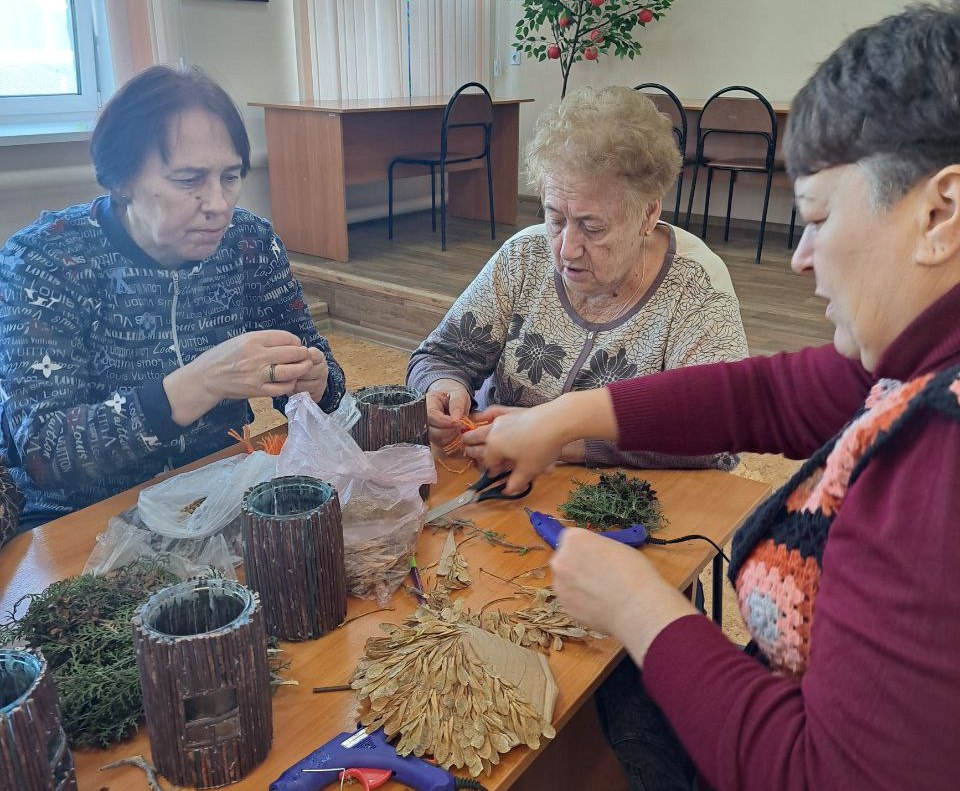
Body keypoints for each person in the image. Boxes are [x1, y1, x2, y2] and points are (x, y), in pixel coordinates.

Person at [481, 5, 960, 789]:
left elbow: (818, 775)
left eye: (817, 217)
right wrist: (564, 417)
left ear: (938, 213)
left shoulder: (938, 459)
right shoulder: (917, 355)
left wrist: (638, 602)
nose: (800, 257)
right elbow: (766, 393)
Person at [0, 65, 346, 532]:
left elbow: (323, 386)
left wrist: (317, 383)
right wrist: (201, 383)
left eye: (230, 176)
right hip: (79, 521)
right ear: (120, 179)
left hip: (216, 494)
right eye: (189, 180)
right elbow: (44, 453)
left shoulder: (248, 242)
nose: (219, 204)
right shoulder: (46, 259)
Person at [407, 86, 747, 470]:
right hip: (500, 475)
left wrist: (563, 442)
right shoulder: (525, 256)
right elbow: (441, 355)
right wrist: (442, 388)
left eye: (592, 226)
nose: (566, 249)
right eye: (555, 218)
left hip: (625, 498)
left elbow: (717, 433)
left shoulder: (696, 288)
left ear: (649, 215)